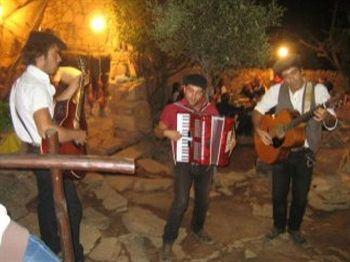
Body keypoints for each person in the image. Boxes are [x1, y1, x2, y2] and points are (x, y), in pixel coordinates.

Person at [9, 30, 87, 261]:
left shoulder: (26, 81)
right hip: (45, 154)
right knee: (71, 208)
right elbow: (47, 129)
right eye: (56, 53)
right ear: (41, 57)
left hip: (36, 153)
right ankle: (72, 255)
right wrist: (76, 134)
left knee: (47, 202)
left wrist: (75, 85)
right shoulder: (35, 86)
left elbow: (50, 106)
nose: (60, 59)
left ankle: (51, 250)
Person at [252, 54, 337, 245]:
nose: (291, 79)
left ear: (301, 72)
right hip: (280, 152)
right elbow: (258, 111)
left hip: (304, 154)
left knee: (300, 196)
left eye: (294, 74)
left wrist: (325, 117)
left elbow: (332, 121)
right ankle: (278, 226)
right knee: (278, 194)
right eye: (286, 76)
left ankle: (294, 229)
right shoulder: (277, 90)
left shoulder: (318, 90)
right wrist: (259, 129)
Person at [155, 74, 234, 261]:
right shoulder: (173, 109)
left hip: (205, 164)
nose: (194, 96)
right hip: (183, 162)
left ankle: (197, 229)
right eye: (190, 90)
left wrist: (231, 140)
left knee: (203, 201)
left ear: (203, 93)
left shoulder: (211, 109)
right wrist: (167, 132)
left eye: (199, 92)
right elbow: (157, 130)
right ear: (183, 88)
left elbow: (223, 132)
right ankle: (167, 241)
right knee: (181, 202)